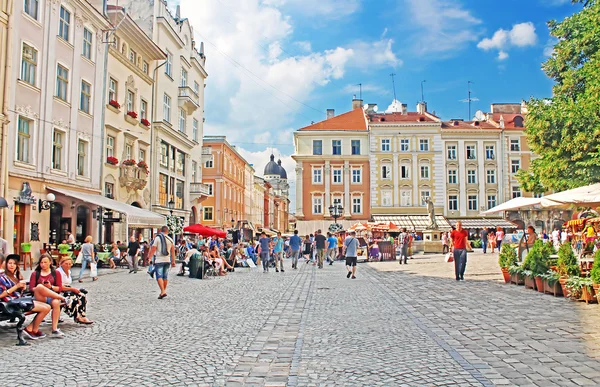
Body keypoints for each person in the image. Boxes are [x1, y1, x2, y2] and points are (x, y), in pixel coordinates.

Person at [0, 254, 52, 340]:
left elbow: (17, 293)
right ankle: (30, 330)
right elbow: (1, 295)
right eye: (10, 263)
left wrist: (22, 288)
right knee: (45, 308)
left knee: (47, 306)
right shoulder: (2, 277)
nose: (12, 265)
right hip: (9, 304)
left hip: (19, 300)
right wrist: (16, 287)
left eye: (14, 263)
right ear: (5, 264)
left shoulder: (15, 276)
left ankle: (32, 329)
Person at [29, 253, 67, 338]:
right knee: (40, 287)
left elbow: (59, 288)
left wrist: (50, 287)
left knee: (56, 302)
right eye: (41, 262)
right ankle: (63, 298)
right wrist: (41, 289)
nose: (43, 264)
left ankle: (55, 328)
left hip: (52, 296)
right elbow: (31, 288)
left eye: (45, 262)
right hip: (39, 297)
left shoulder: (55, 273)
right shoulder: (36, 273)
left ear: (50, 262)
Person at [56, 256, 93, 324]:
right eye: (66, 264)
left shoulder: (69, 272)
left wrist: (73, 290)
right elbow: (59, 286)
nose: (68, 265)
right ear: (61, 264)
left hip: (67, 289)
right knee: (74, 299)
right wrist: (72, 289)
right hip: (59, 291)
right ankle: (77, 316)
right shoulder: (58, 272)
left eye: (70, 264)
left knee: (82, 295)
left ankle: (82, 316)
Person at [148, 226, 175, 299]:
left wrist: (149, 257)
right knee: (165, 276)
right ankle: (162, 292)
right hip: (167, 260)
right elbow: (173, 251)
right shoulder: (170, 239)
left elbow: (153, 248)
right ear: (167, 231)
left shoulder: (157, 238)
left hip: (159, 260)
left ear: (161, 231)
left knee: (159, 276)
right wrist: (173, 261)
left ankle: (163, 291)